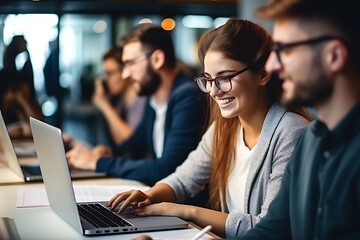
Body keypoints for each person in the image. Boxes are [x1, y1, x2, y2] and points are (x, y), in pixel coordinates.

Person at [106, 18, 310, 238]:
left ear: (262, 74)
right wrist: (150, 195)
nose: (213, 91)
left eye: (224, 78)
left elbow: (265, 229)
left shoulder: (291, 132)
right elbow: (185, 179)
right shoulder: (225, 127)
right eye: (208, 80)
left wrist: (185, 211)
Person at [236, 0, 360, 239]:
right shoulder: (310, 139)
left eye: (285, 50)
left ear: (333, 56)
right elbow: (273, 230)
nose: (272, 64)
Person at [66, 23, 208, 186]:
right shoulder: (154, 97)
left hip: (186, 206)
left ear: (157, 59)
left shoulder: (188, 96)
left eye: (130, 63)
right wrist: (109, 152)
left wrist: (97, 163)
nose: (125, 74)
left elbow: (167, 169)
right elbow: (136, 140)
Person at [92, 46, 147, 146]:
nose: (106, 80)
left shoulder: (142, 99)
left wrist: (104, 104)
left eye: (110, 73)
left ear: (125, 71)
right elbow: (119, 141)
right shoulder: (120, 103)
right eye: (104, 74)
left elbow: (129, 142)